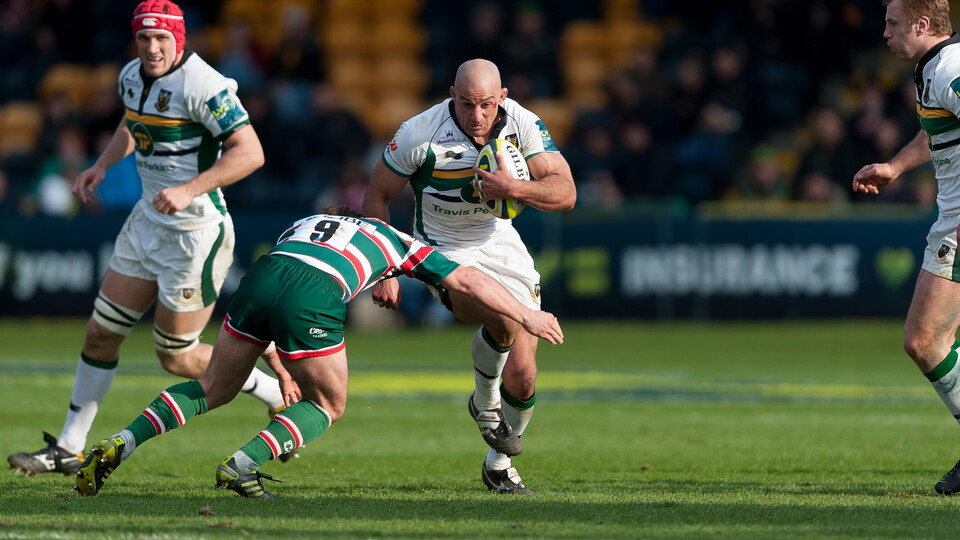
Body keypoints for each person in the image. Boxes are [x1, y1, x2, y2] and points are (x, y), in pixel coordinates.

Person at [75, 205, 564, 499]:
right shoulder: (395, 240)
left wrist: (281, 367)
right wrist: (527, 314)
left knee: (212, 387)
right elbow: (468, 279)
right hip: (314, 291)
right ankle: (240, 466)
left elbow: (276, 300)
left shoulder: (309, 220)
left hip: (266, 274)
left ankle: (122, 440)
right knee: (329, 404)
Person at [7, 0, 289, 476]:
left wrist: (188, 189)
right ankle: (70, 447)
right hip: (146, 224)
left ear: (180, 39)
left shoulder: (205, 84)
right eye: (144, 38)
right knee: (100, 333)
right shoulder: (130, 77)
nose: (152, 47)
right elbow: (131, 123)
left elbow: (251, 153)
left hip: (195, 234)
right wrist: (100, 164)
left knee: (176, 357)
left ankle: (270, 389)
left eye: (162, 38)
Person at [362, 58, 576, 494]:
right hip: (442, 250)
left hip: (501, 244)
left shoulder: (524, 123)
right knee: (506, 320)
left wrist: (513, 188)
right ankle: (484, 398)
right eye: (465, 104)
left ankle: (498, 464)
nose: (476, 117)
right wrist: (385, 269)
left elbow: (566, 192)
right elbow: (377, 196)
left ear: (503, 98)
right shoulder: (419, 132)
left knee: (525, 375)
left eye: (485, 105)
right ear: (450, 95)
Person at [852, 0, 960, 495]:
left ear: (921, 25)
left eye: (893, 24)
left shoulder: (950, 68)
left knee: (925, 340)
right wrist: (895, 166)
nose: (884, 33)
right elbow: (938, 129)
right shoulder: (934, 71)